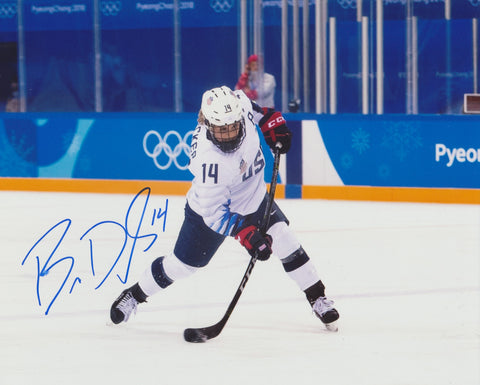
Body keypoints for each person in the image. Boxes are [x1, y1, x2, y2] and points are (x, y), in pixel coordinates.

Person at [110, 86, 339, 332]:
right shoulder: (209, 163)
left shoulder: (240, 104)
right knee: (182, 266)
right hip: (207, 215)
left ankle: (317, 297)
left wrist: (272, 123)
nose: (229, 134)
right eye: (221, 129)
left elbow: (260, 113)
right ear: (208, 124)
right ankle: (134, 294)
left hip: (253, 198)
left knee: (284, 238)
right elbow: (214, 215)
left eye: (232, 126)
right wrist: (246, 233)